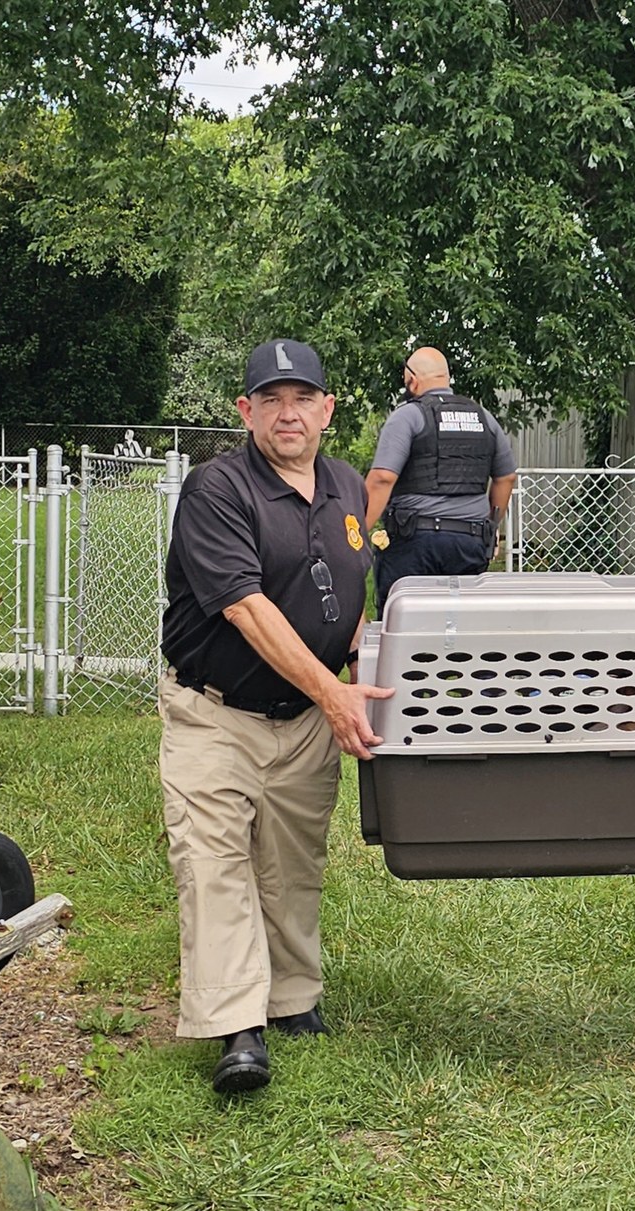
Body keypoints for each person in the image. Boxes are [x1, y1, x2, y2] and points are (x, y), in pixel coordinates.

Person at [158, 338, 393, 1094]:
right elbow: (245, 608)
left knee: (292, 866)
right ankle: (238, 1026)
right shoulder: (216, 489)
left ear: (328, 408)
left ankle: (291, 998)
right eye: (270, 399)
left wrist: (357, 668)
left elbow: (352, 591)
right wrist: (335, 694)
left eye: (302, 399)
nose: (287, 413)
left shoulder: (348, 485)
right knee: (214, 864)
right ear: (246, 410)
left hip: (305, 723)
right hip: (215, 715)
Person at [363, 348, 518, 613]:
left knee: (402, 624)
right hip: (470, 542)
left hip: (415, 542)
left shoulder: (408, 416)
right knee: (461, 626)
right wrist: (490, 531)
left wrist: (355, 534)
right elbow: (506, 478)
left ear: (412, 379)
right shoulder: (484, 418)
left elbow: (382, 478)